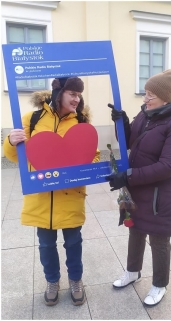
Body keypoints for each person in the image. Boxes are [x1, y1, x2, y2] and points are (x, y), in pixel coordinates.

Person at [3, 77, 99, 306]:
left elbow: (93, 156)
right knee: (46, 245)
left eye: (79, 95)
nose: (77, 99)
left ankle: (76, 280)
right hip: (41, 197)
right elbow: (13, 155)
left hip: (71, 195)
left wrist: (83, 165)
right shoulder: (33, 119)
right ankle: (52, 281)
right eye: (72, 94)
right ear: (59, 93)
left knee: (73, 243)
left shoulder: (82, 122)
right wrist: (10, 140)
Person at [106, 69, 171, 306]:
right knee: (136, 229)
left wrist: (128, 176)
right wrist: (121, 121)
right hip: (139, 186)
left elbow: (167, 166)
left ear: (166, 98)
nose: (145, 99)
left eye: (150, 95)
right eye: (145, 93)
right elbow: (130, 139)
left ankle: (159, 284)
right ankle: (133, 271)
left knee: (159, 238)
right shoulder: (147, 114)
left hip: (162, 193)